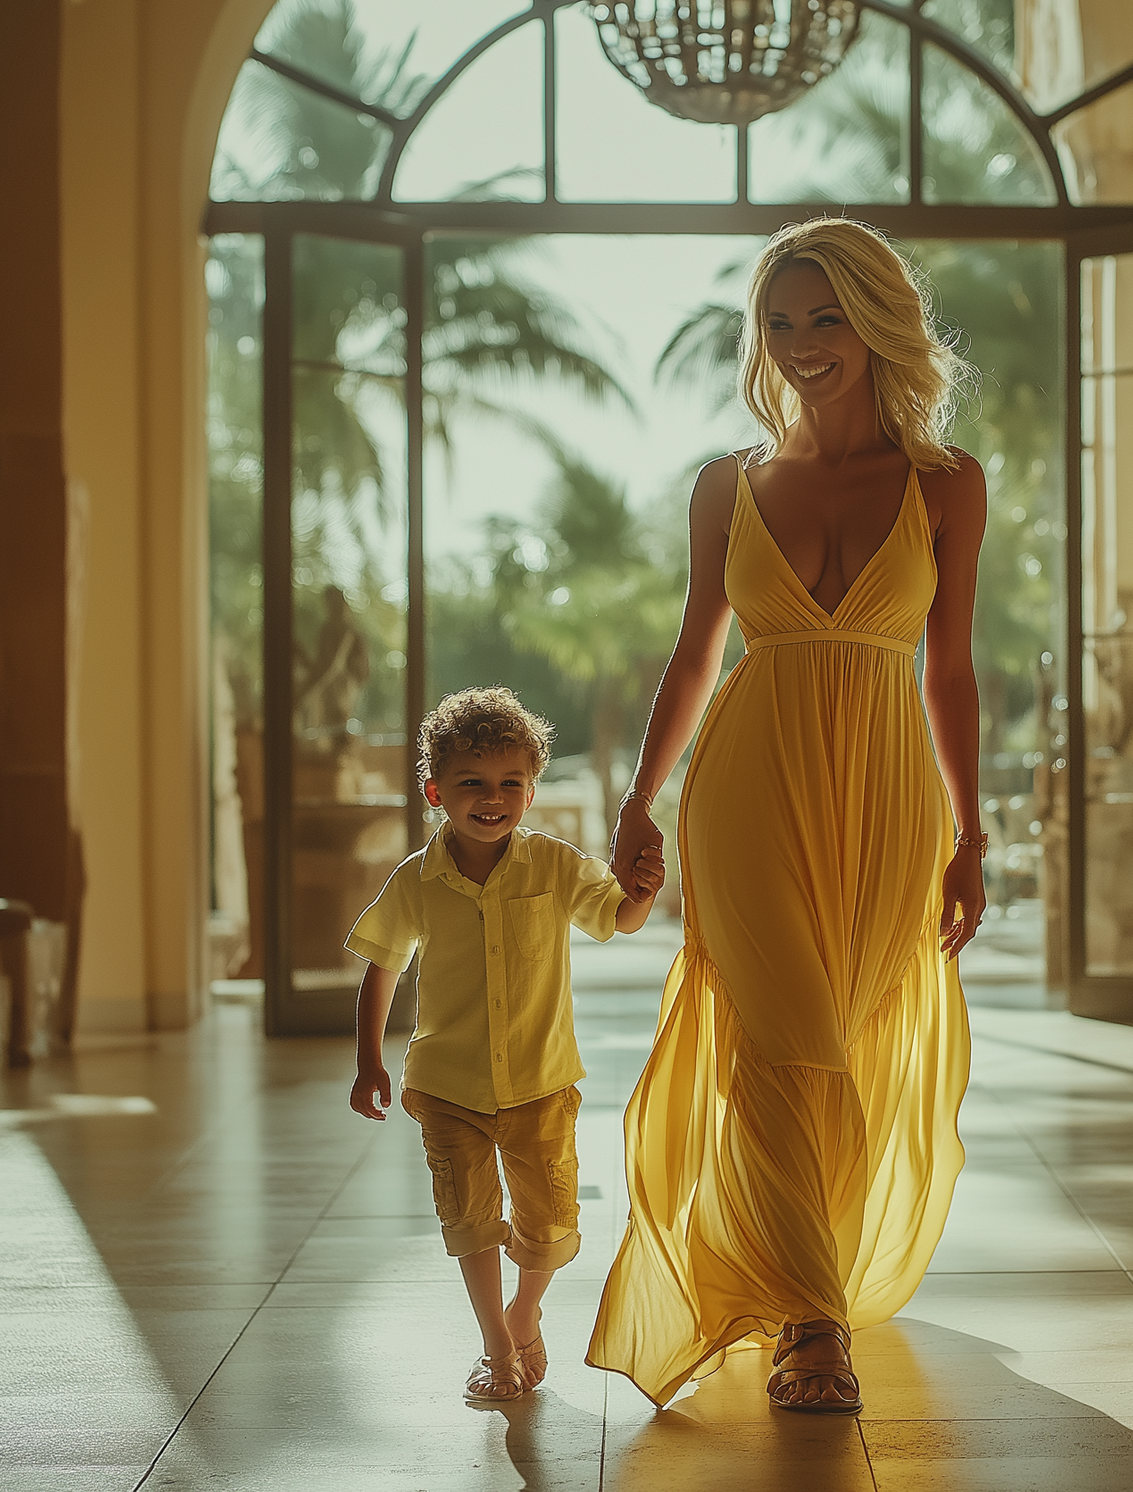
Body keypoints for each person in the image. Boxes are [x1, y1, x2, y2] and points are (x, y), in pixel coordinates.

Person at [587, 218, 989, 1413]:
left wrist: (973, 832)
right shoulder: (729, 485)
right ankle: (814, 1321)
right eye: (779, 322)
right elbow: (695, 650)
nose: (803, 345)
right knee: (784, 1030)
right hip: (748, 781)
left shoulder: (946, 483)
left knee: (852, 1030)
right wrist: (642, 797)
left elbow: (950, 669)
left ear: (875, 323)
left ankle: (805, 1268)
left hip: (885, 789)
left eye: (826, 318)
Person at [347, 686, 665, 1402]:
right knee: (468, 1221)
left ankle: (525, 1312)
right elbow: (382, 966)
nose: (492, 799)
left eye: (509, 784)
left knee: (550, 1228)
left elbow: (616, 918)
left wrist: (641, 892)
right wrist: (369, 1059)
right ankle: (495, 1342)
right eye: (471, 784)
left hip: (541, 1084)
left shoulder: (551, 865)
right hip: (449, 1086)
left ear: (530, 789)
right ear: (436, 791)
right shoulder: (417, 881)